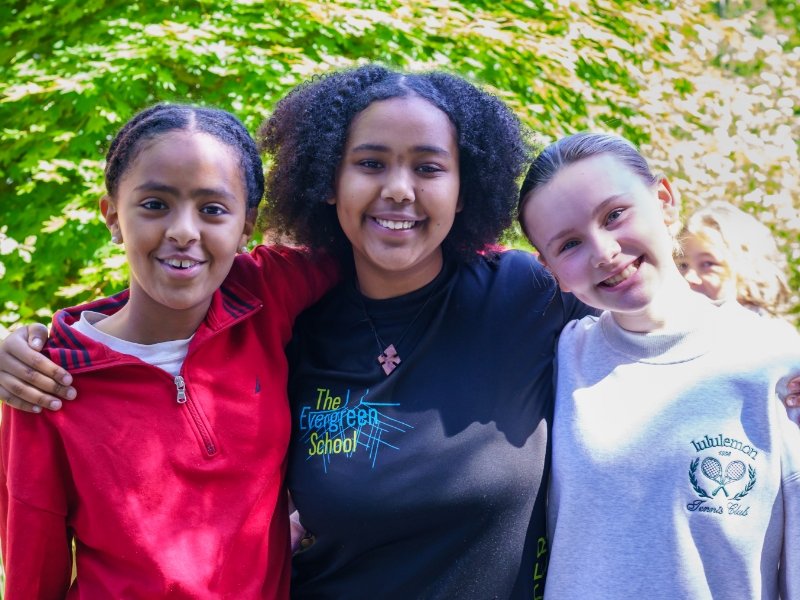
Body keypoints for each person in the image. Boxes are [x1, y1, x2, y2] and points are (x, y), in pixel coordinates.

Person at [2, 66, 800, 598]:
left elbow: (657, 317)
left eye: (428, 165)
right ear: (330, 179)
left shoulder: (525, 293)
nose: (399, 190)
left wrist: (777, 363)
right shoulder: (286, 304)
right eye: (371, 162)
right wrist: (41, 342)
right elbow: (172, 285)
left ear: (466, 185)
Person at [0, 104, 337, 598]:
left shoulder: (268, 296)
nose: (184, 230)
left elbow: (392, 249)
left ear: (247, 226)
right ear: (113, 216)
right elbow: (33, 579)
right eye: (155, 204)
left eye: (213, 209)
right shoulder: (47, 380)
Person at [517, 131, 800, 599]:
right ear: (550, 270)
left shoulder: (775, 364)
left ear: (664, 201)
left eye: (614, 215)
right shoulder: (557, 359)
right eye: (568, 245)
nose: (604, 250)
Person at [676, 199, 792, 319]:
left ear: (750, 270)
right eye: (683, 265)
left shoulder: (769, 332)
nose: (688, 278)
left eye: (707, 264)